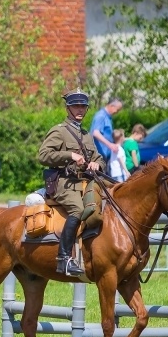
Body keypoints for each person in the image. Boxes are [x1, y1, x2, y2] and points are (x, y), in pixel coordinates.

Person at [38, 90, 104, 276]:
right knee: (77, 209)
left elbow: (100, 158)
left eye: (83, 106)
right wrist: (70, 155)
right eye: (76, 106)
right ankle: (64, 259)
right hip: (63, 182)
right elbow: (43, 155)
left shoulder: (87, 135)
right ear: (68, 108)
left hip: (85, 182)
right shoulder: (59, 131)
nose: (80, 110)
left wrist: (96, 164)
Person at [89, 97, 122, 164]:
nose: (117, 112)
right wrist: (110, 145)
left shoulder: (107, 117)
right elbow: (95, 133)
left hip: (104, 154)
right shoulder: (101, 116)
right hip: (98, 155)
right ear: (112, 106)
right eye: (117, 110)